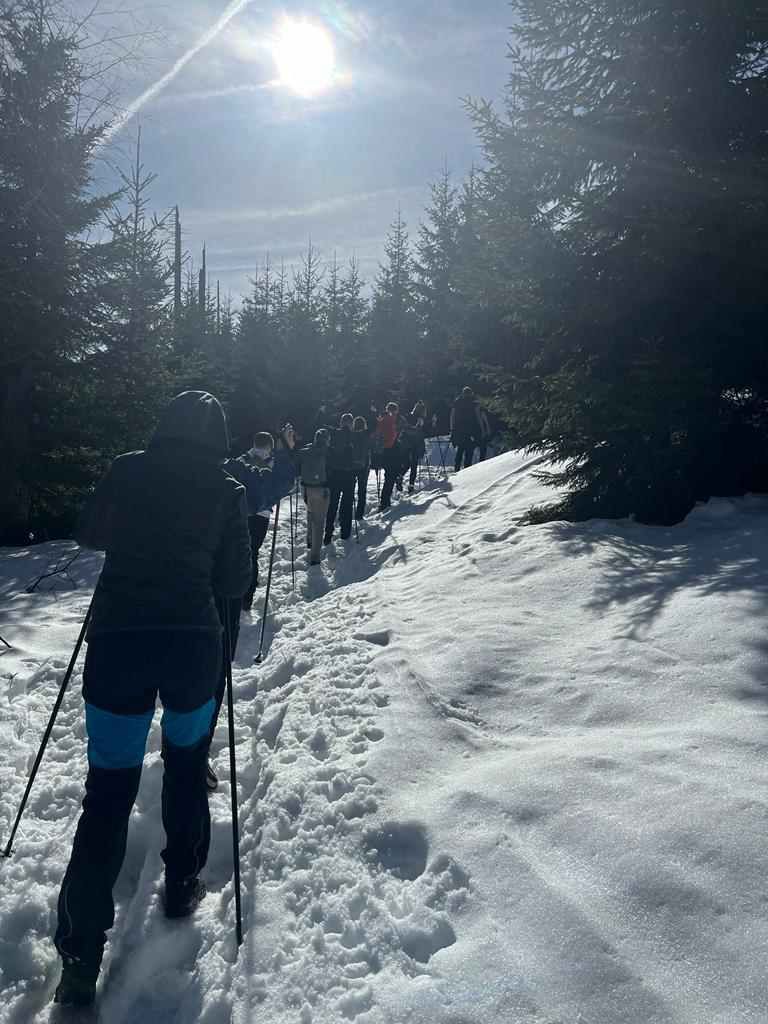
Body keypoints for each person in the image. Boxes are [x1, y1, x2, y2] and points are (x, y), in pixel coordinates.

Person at [53, 391, 251, 1008]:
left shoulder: (127, 470)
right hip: (192, 647)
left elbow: (89, 532)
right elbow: (235, 582)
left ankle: (80, 955)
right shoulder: (227, 490)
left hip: (119, 643)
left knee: (107, 793)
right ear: (218, 436)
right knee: (186, 766)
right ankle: (182, 883)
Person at [205, 424, 297, 793]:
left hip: (242, 525)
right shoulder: (239, 469)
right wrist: (288, 451)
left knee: (248, 557)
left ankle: (243, 595)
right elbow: (279, 484)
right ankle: (194, 747)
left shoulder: (234, 464)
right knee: (246, 559)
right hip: (245, 527)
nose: (261, 448)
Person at [225, 430, 296, 613]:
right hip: (261, 515)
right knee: (253, 553)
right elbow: (284, 484)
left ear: (254, 443)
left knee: (238, 551)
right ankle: (247, 597)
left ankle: (237, 592)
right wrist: (286, 450)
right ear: (270, 446)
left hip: (239, 512)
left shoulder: (241, 460)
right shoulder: (273, 462)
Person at [298, 428, 331, 565]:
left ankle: (309, 540)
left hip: (306, 488)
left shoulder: (305, 451)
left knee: (310, 513)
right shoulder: (328, 452)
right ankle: (315, 557)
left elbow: (297, 465)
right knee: (319, 522)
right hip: (321, 489)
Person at [324, 413, 357, 544]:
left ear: (341, 422)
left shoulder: (334, 434)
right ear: (351, 423)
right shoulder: (354, 436)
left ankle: (328, 533)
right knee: (347, 504)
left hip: (334, 475)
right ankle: (345, 532)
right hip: (349, 475)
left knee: (332, 505)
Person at [375, 402, 406, 510]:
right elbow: (398, 433)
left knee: (389, 476)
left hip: (384, 451)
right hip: (393, 450)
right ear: (395, 410)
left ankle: (385, 501)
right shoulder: (394, 420)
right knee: (391, 476)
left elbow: (378, 433)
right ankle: (385, 502)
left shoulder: (382, 419)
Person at [450, 386, 483, 472]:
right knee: (469, 450)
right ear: (471, 393)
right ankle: (467, 469)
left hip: (459, 429)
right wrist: (481, 428)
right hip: (471, 429)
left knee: (460, 449)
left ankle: (457, 468)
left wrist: (452, 428)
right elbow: (478, 416)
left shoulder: (457, 402)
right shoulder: (473, 402)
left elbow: (452, 415)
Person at [403, 400, 427, 494]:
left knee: (407, 462)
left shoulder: (409, 416)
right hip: (416, 443)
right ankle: (411, 485)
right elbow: (422, 431)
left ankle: (400, 475)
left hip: (406, 443)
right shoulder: (420, 419)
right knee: (414, 465)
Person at [351, 416, 371, 519]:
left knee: (350, 490)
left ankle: (346, 513)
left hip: (352, 466)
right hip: (364, 466)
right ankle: (359, 514)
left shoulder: (351, 435)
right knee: (362, 490)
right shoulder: (366, 435)